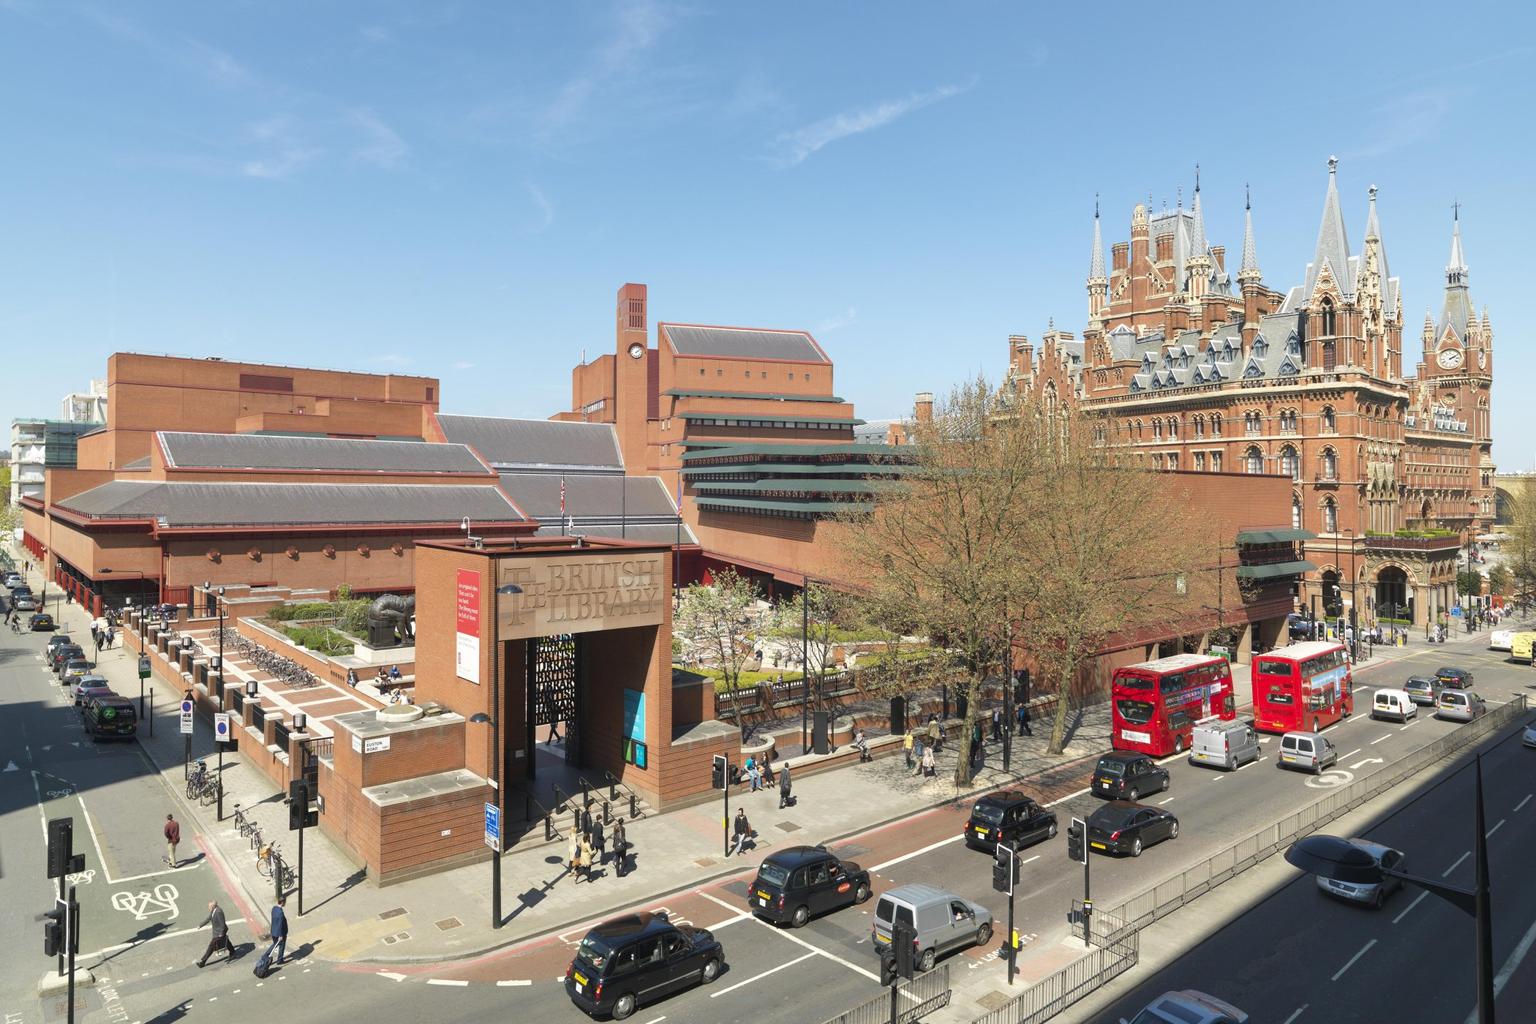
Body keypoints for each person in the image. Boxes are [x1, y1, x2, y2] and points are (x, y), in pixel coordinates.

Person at [196, 900, 231, 967]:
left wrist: (221, 933)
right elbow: (208, 919)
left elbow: (222, 924)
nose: (208, 907)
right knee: (226, 941)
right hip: (217, 932)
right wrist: (200, 925)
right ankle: (232, 951)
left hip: (219, 932)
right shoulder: (213, 910)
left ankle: (203, 962)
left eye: (209, 906)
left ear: (213, 906)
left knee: (211, 946)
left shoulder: (219, 912)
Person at [266, 897, 289, 966]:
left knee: (274, 944)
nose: (285, 903)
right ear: (282, 902)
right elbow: (280, 925)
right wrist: (281, 935)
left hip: (273, 931)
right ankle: (280, 960)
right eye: (285, 902)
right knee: (282, 946)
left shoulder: (274, 909)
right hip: (280, 933)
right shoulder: (280, 913)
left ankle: (266, 955)